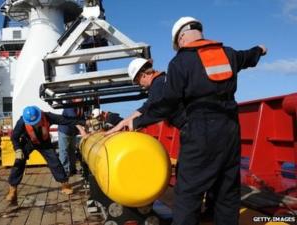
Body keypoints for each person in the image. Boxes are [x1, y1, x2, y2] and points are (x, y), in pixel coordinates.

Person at [108, 16, 267, 225]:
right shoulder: (228, 54)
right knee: (227, 192)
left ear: (181, 38)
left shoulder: (180, 62)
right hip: (230, 128)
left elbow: (167, 103)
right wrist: (260, 49)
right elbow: (249, 56)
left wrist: (137, 122)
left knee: (188, 194)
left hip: (200, 131)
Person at [6, 105, 86, 205]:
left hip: (44, 143)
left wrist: (84, 123)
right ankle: (12, 189)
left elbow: (65, 120)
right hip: (28, 142)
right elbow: (14, 137)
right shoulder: (22, 122)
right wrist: (18, 149)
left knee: (54, 161)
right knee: (19, 162)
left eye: (37, 121)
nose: (36, 124)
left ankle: (64, 184)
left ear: (40, 116)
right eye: (33, 123)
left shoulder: (48, 116)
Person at [105, 58, 186, 135]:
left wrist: (136, 122)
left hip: (190, 125)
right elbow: (146, 107)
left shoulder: (159, 84)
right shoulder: (159, 82)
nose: (139, 85)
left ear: (143, 75)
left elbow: (160, 110)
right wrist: (124, 122)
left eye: (137, 81)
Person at [58, 107, 83, 176]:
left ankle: (73, 170)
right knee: (64, 151)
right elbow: (74, 120)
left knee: (72, 151)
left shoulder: (80, 107)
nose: (81, 98)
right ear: (74, 99)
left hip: (73, 133)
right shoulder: (69, 107)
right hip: (64, 131)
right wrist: (82, 131)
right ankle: (65, 172)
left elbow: (83, 119)